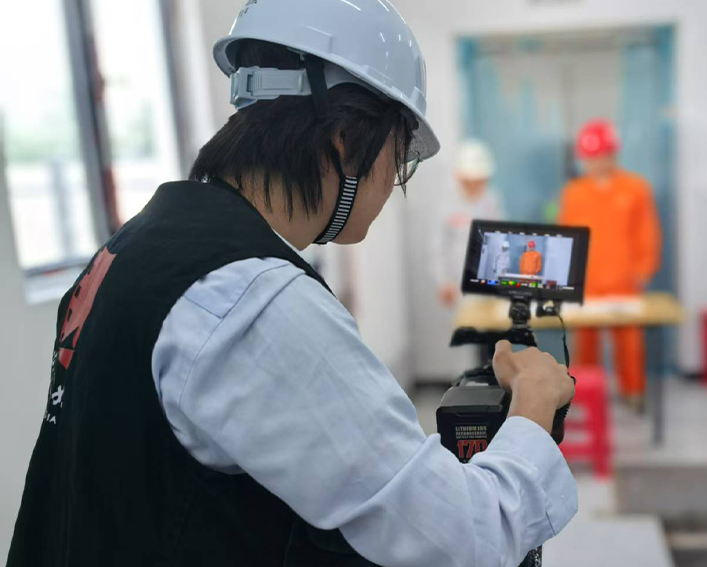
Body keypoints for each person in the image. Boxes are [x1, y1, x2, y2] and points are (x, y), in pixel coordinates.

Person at [6, 2, 576, 566]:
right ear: (347, 141)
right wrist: (534, 400)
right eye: (399, 158)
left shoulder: (138, 245)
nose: (392, 184)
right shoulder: (251, 296)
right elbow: (458, 538)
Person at [558, 119, 662, 411]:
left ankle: (633, 392)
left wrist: (644, 268)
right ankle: (585, 396)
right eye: (591, 158)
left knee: (629, 341)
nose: (597, 163)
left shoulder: (636, 189)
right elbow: (565, 235)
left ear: (614, 154)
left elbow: (648, 231)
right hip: (586, 281)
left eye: (603, 156)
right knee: (585, 342)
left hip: (624, 279)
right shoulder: (574, 193)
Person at [431, 139, 503, 307]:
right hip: (458, 290)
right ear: (461, 178)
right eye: (472, 180)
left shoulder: (491, 200)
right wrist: (443, 282)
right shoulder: (447, 204)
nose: (476, 185)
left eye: (480, 180)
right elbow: (438, 247)